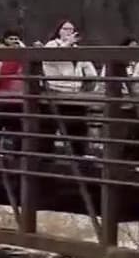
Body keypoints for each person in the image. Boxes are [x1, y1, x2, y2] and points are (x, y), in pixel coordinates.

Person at [42, 21, 99, 157]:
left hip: (74, 94)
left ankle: (79, 157)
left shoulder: (77, 49)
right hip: (55, 92)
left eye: (72, 29)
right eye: (65, 29)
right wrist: (67, 44)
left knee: (78, 129)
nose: (69, 32)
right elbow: (51, 57)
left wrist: (89, 85)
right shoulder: (51, 45)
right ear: (59, 31)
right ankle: (46, 159)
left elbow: (90, 71)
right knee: (48, 131)